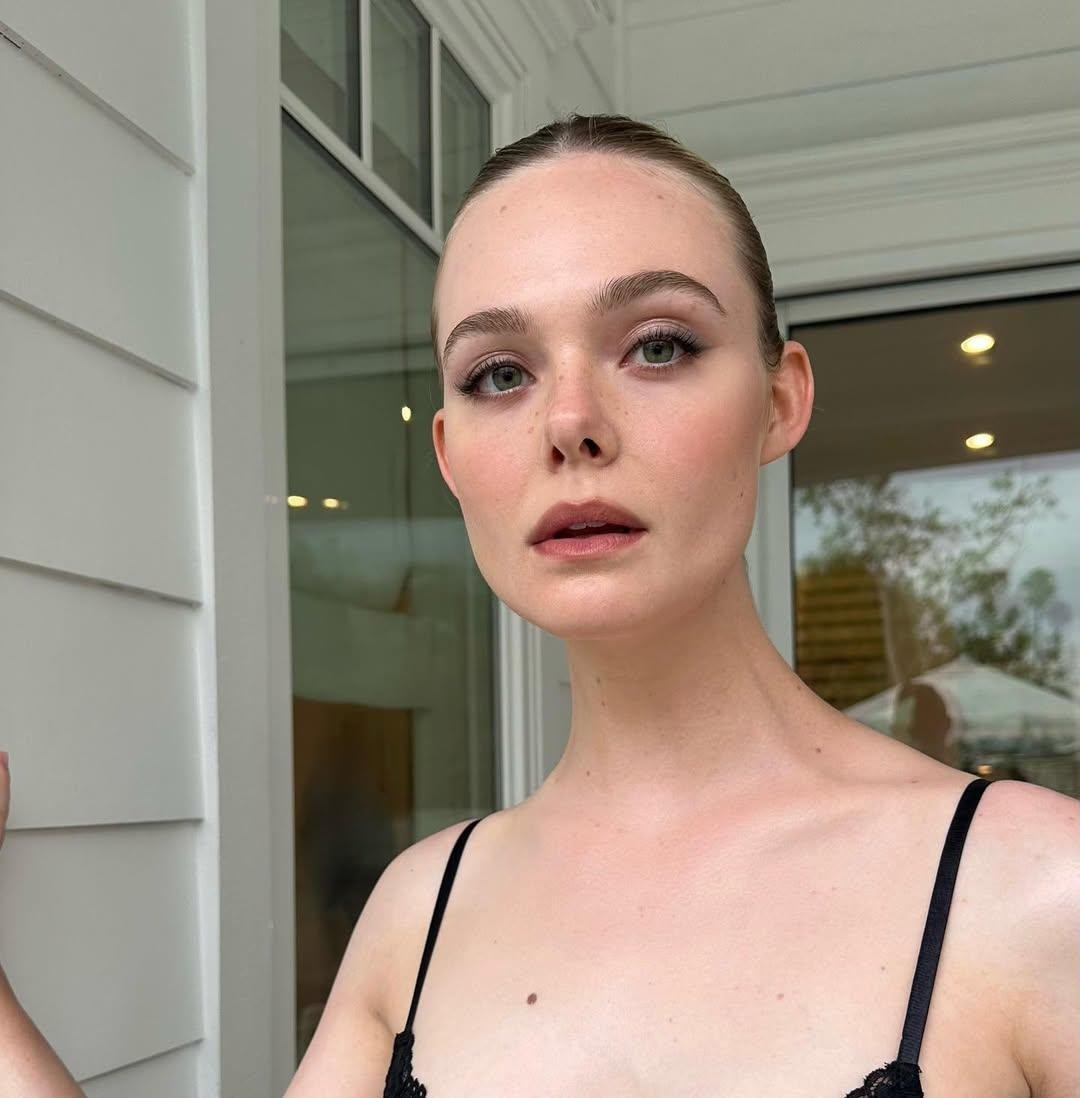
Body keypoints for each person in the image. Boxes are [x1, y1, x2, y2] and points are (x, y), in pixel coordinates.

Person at [1, 113, 1077, 1097]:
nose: (569, 422)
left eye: (658, 345)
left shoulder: (1036, 889)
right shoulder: (420, 914)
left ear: (781, 399)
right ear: (449, 457)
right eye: (498, 374)